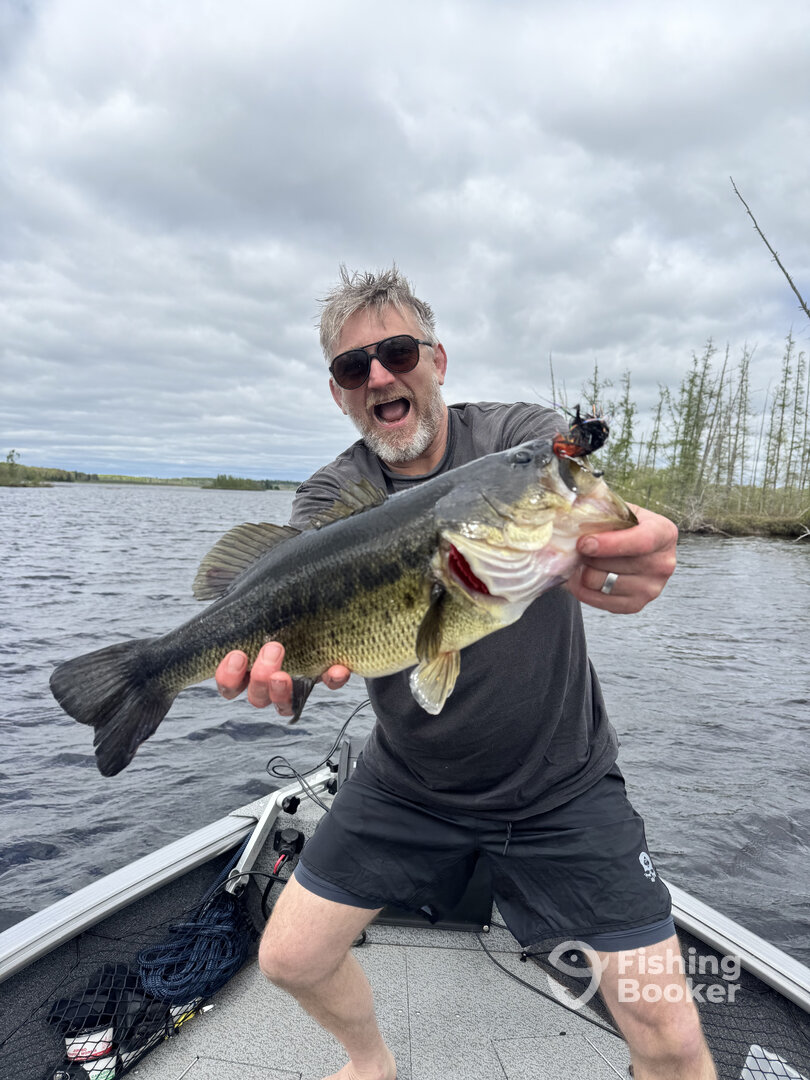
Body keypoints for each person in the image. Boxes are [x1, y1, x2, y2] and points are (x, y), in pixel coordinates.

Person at [216, 267, 716, 1080]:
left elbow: (589, 500)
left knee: (671, 1034)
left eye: (398, 352)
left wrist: (637, 548)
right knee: (290, 959)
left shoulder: (519, 440)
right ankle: (371, 1065)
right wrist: (286, 672)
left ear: (436, 359)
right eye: (353, 367)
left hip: (563, 786)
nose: (380, 376)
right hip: (408, 784)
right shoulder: (335, 494)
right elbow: (299, 602)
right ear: (339, 393)